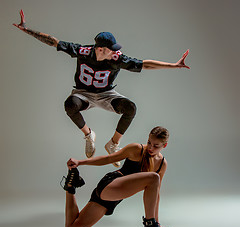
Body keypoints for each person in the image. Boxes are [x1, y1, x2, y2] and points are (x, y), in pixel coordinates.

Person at [13, 10, 190, 167]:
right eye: (110, 49)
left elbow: (144, 65)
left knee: (131, 108)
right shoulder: (82, 51)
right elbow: (54, 42)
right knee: (69, 105)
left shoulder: (117, 59)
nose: (114, 52)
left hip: (107, 94)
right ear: (99, 49)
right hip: (83, 93)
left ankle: (113, 143)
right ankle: (89, 135)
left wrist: (173, 65)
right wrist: (27, 30)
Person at [61, 126, 173, 227]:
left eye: (156, 146)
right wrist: (80, 162)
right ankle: (150, 225)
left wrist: (157, 222)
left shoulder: (162, 164)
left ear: (164, 145)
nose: (150, 147)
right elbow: (107, 159)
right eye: (149, 142)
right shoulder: (136, 149)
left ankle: (71, 185)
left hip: (113, 197)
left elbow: (156, 194)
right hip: (110, 184)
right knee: (154, 177)